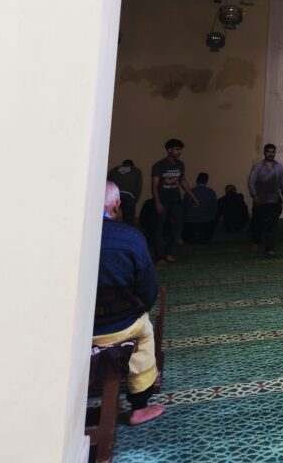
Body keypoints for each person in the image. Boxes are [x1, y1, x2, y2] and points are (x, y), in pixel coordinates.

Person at [93, 182, 164, 426]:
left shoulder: (65, 233)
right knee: (144, 335)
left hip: (72, 329)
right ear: (117, 205)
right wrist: (139, 309)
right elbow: (149, 290)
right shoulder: (129, 236)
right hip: (121, 325)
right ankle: (139, 406)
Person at [150, 138, 198, 264]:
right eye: (177, 149)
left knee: (176, 228)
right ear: (169, 150)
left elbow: (182, 181)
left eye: (180, 150)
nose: (179, 152)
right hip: (163, 200)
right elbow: (154, 186)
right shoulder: (159, 165)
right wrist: (157, 202)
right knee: (159, 229)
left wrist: (193, 197)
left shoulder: (180, 165)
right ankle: (160, 257)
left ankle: (170, 253)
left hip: (176, 201)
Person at [248, 143, 283, 255]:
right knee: (257, 223)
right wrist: (254, 195)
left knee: (272, 226)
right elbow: (251, 182)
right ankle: (255, 242)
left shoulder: (279, 167)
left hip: (275, 201)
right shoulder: (257, 167)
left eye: (273, 152)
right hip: (260, 201)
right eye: (269, 152)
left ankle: (269, 248)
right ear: (264, 153)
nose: (271, 154)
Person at [182, 172, 218, 243]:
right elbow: (214, 209)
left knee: (189, 238)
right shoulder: (211, 192)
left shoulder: (189, 192)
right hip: (206, 222)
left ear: (197, 180)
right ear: (206, 181)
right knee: (205, 238)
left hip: (190, 222)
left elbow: (183, 207)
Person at [107, 159, 142, 226]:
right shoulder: (136, 170)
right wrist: (135, 199)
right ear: (132, 165)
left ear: (122, 164)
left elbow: (108, 183)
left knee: (109, 219)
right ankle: (127, 233)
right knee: (129, 221)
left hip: (114, 195)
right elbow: (139, 186)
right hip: (129, 196)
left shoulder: (114, 170)